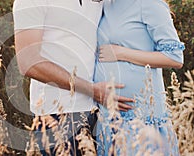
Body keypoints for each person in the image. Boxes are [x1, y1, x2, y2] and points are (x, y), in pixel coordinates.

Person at [13, 0, 134, 155]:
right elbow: (28, 62)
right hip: (58, 115)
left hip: (101, 112)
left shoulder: (98, 1)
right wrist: (91, 90)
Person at [94, 0, 184, 155]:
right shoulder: (104, 5)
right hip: (109, 118)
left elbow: (175, 57)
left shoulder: (150, 4)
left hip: (142, 117)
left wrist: (122, 53)